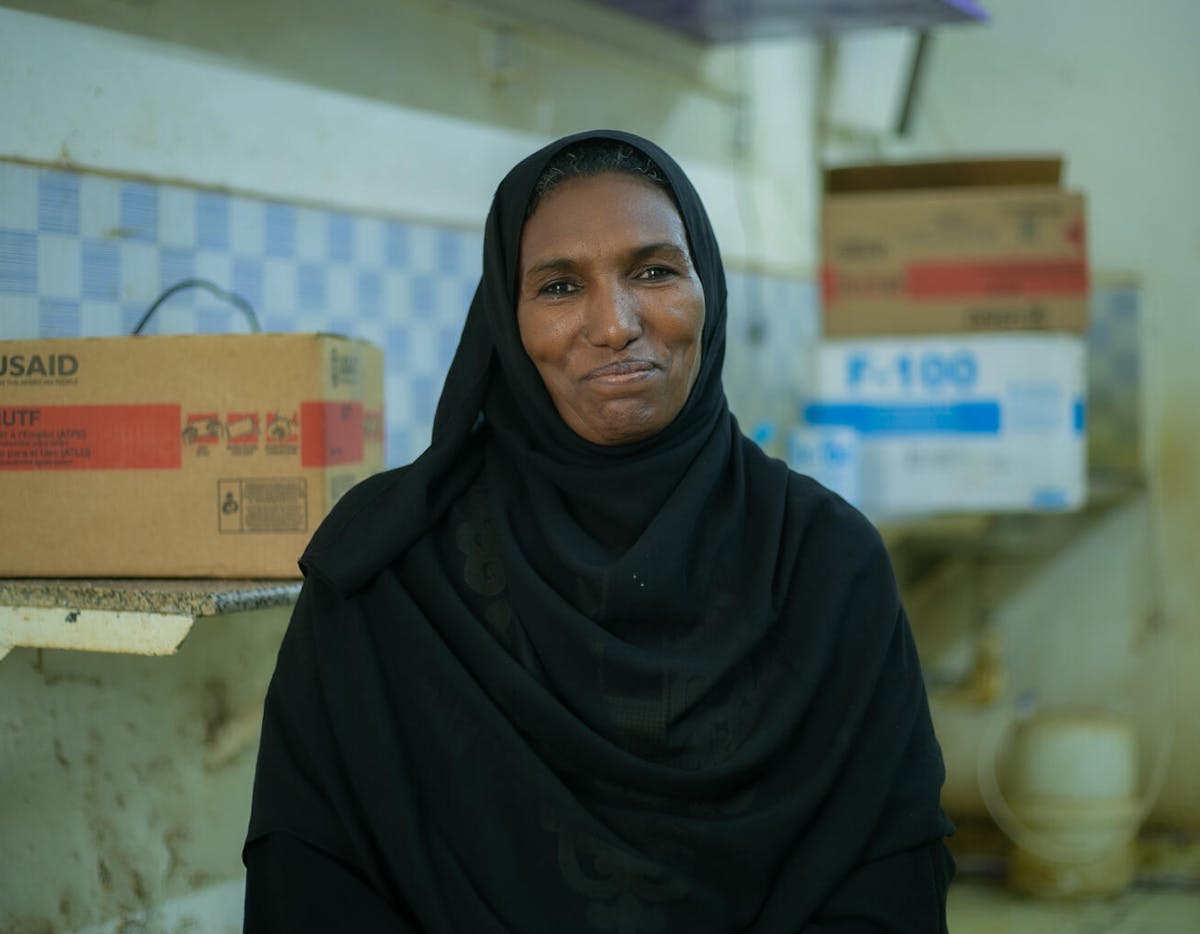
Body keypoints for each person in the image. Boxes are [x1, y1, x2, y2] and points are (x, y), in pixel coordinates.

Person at [243, 129, 955, 932]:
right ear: (506, 323)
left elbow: (888, 872)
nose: (613, 324)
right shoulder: (391, 570)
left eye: (653, 271)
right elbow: (311, 875)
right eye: (557, 287)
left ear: (706, 287)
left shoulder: (825, 562)